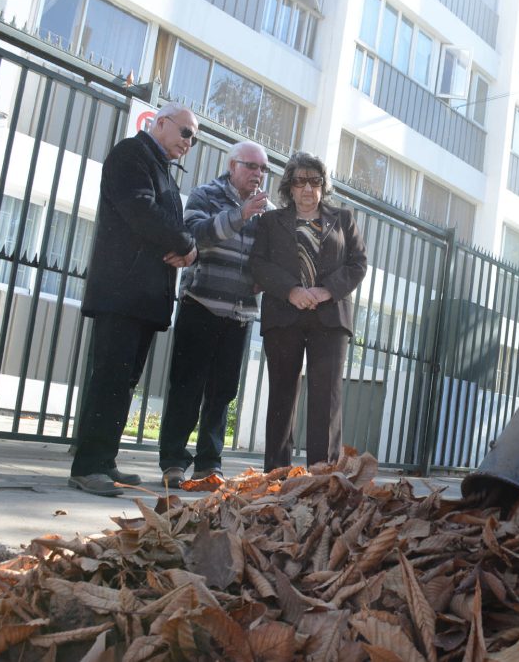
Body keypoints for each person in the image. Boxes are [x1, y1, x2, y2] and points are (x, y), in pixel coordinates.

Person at [69, 103, 199, 497]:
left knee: (124, 382)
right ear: (160, 123)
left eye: (194, 139)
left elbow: (167, 223)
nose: (189, 143)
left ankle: (104, 460)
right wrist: (186, 245)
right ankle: (87, 467)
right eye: (186, 132)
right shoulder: (131, 154)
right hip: (121, 290)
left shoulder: (162, 169)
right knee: (109, 378)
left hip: (144, 294)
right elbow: (141, 211)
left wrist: (183, 247)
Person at [157, 141, 274, 488]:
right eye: (251, 166)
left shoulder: (267, 210)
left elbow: (270, 256)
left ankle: (209, 465)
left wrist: (264, 276)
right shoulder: (205, 195)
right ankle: (173, 462)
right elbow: (194, 237)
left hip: (240, 313)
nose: (258, 174)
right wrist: (241, 215)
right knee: (186, 387)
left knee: (222, 393)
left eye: (263, 168)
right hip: (201, 303)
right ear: (232, 165)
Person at [250, 152, 366, 470]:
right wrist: (292, 291)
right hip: (283, 315)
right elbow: (259, 263)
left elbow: (358, 263)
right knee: (282, 394)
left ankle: (323, 473)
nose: (307, 188)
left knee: (326, 397)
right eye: (300, 181)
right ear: (289, 186)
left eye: (315, 181)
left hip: (330, 318)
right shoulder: (270, 222)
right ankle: (277, 472)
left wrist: (326, 290)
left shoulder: (343, 219)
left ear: (323, 186)